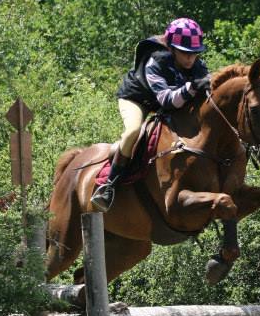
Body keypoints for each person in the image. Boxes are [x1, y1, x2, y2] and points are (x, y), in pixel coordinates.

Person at [91, 17, 212, 212]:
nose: (190, 58)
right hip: (137, 99)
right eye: (185, 53)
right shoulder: (155, 60)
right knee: (134, 131)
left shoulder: (198, 66)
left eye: (195, 53)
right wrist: (191, 87)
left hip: (166, 103)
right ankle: (109, 185)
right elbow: (165, 100)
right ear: (172, 48)